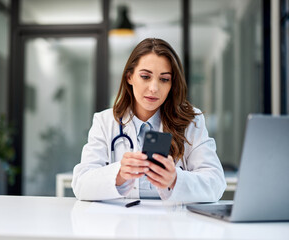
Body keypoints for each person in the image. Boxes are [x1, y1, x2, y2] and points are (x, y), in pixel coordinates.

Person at [72, 38, 226, 201]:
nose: (154, 88)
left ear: (172, 84)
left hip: (174, 224)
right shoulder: (105, 121)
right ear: (129, 77)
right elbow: (81, 184)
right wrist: (119, 174)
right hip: (123, 223)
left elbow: (216, 184)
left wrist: (175, 179)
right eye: (145, 76)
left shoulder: (191, 121)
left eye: (164, 79)